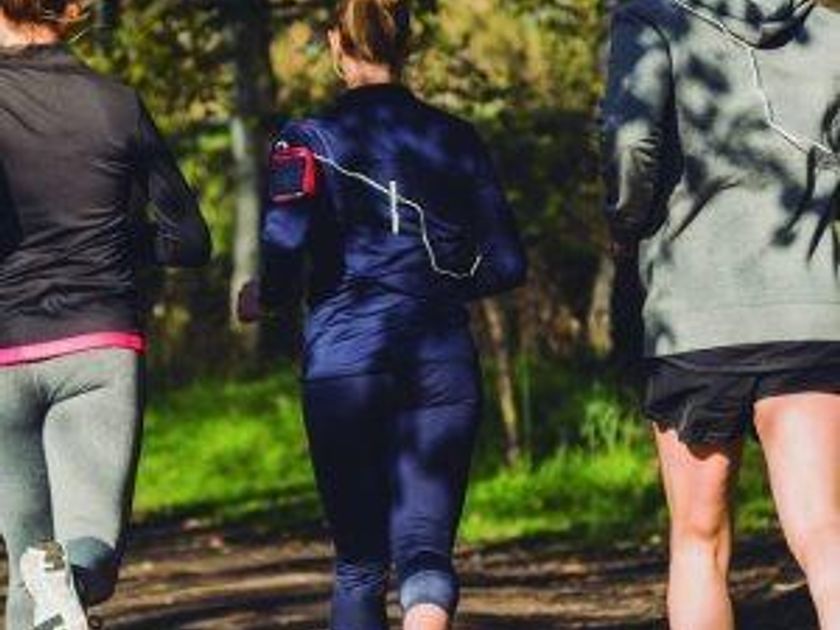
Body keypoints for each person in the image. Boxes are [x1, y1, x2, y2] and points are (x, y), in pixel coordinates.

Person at [238, 1, 526, 628]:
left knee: (359, 564)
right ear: (407, 45)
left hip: (346, 365)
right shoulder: (455, 137)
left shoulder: (304, 140)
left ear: (335, 45)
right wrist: (438, 283)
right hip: (441, 361)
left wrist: (270, 296)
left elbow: (285, 244)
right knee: (425, 551)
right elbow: (507, 264)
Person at [602, 0, 840, 628]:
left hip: (694, 313)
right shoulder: (830, 31)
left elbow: (630, 145)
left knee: (698, 542)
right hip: (809, 308)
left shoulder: (650, 19)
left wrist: (626, 223)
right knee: (826, 533)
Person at [0, 1, 212, 628]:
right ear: (72, 11)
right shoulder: (116, 104)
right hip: (99, 346)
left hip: (4, 352)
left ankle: (53, 584)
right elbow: (189, 240)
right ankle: (71, 581)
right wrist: (120, 243)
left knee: (26, 559)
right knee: (86, 547)